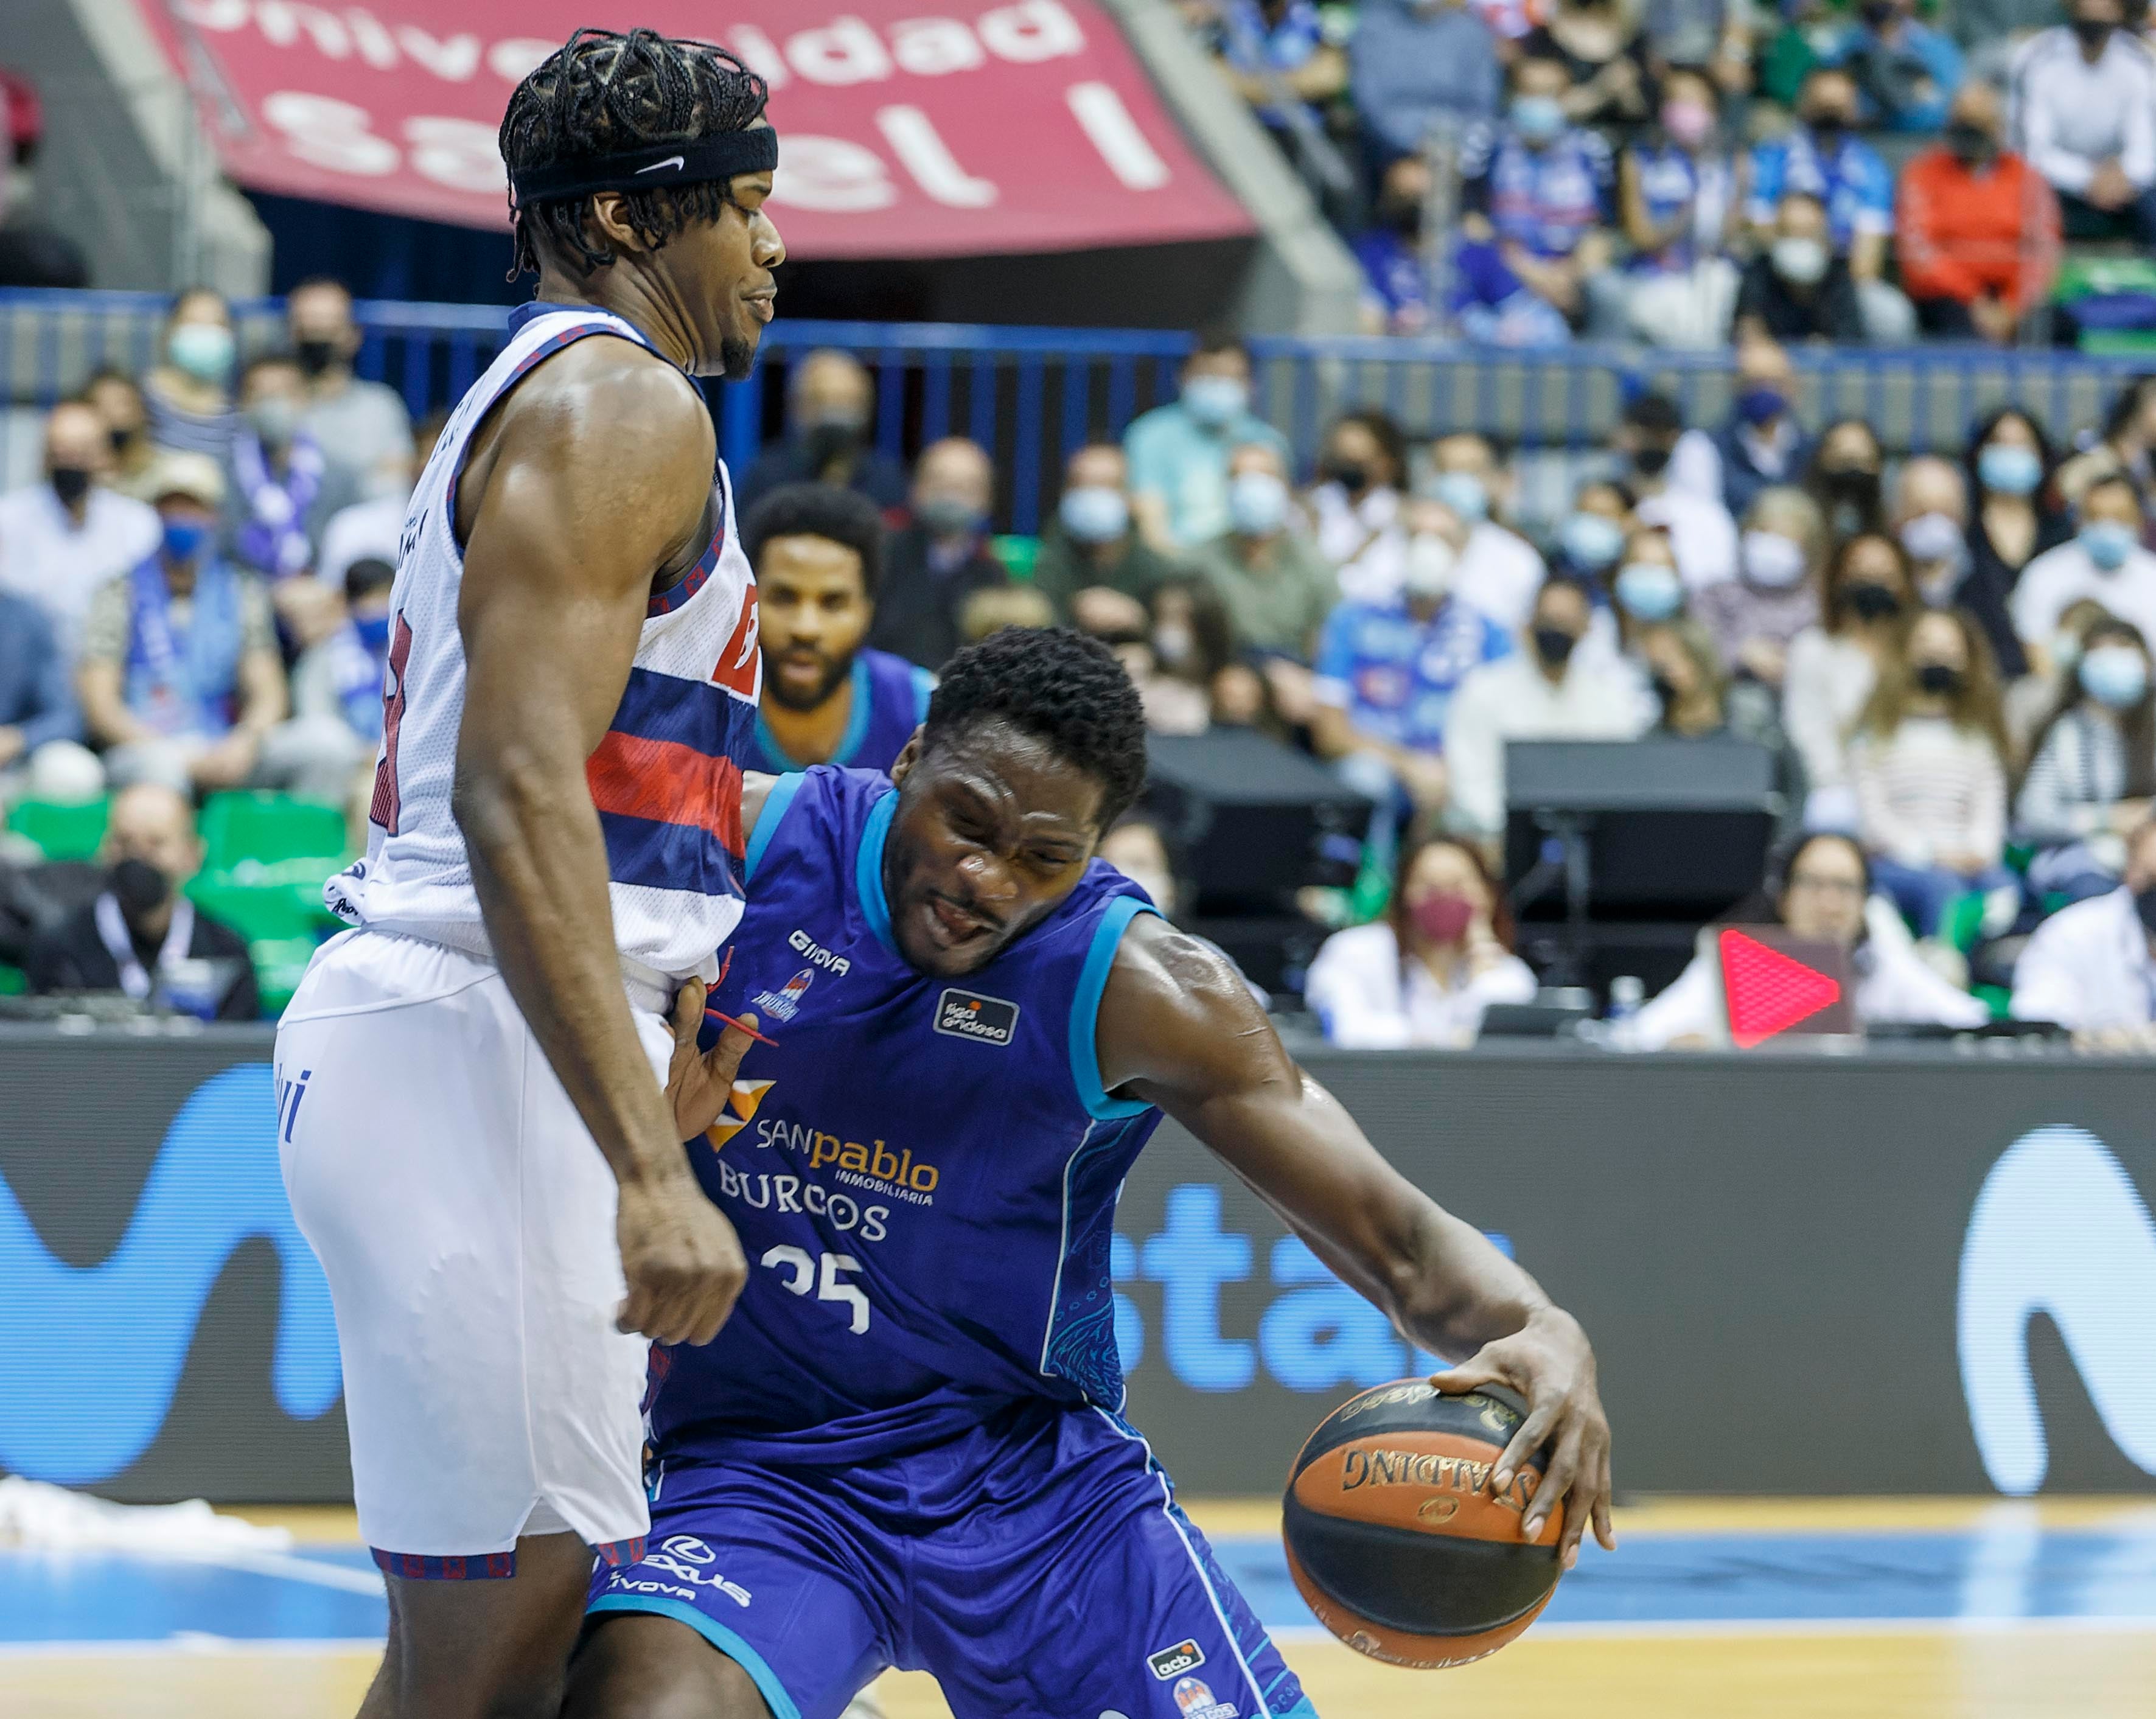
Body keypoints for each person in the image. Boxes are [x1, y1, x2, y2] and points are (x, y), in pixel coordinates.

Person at [565, 627, 1616, 1718]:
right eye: (966, 821)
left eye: (1043, 856)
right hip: (760, 1478)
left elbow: (1397, 1246)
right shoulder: (742, 844)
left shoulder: (1139, 983)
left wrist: (1538, 1324)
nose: (987, 878)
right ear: (910, 756)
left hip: (1032, 1491)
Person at [271, 32, 785, 1719]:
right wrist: (641, 1162)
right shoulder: (617, 401)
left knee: (492, 1634)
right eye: (750, 210)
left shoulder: (558, 396)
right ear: (641, 219)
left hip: (486, 1038)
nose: (774, 249)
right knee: (501, 1634)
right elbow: (510, 795)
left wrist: (643, 1051)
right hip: (473, 1039)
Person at [75, 455, 358, 803]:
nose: (183, 519)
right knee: (160, 768)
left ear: (214, 516)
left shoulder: (240, 590)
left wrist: (244, 742)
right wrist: (167, 749)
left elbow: (268, 692)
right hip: (145, 747)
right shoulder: (119, 592)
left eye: (194, 508)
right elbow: (100, 703)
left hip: (224, 743)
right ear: (156, 513)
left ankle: (299, 854)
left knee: (327, 745)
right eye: (173, 507)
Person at [1624, 831, 1988, 1047]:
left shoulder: (1879, 962)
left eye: (1845, 888)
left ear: (1864, 902)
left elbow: (1968, 1020)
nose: (1830, 904)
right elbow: (1640, 1034)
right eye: (1813, 885)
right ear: (1784, 897)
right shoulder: (1738, 962)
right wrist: (1688, 1046)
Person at [1310, 495, 1513, 820]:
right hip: (1381, 769)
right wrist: (1409, 766)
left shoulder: (1489, 633)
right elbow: (1330, 732)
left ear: (1462, 550)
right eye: (1417, 536)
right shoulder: (1353, 620)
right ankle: (1368, 873)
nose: (1428, 548)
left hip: (1459, 775)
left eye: (1442, 538)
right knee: (1364, 780)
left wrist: (1452, 771)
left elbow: (1506, 727)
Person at [738, 484, 932, 778]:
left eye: (833, 603)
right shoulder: (700, 708)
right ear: (747, 597)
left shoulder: (922, 709)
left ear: (867, 609)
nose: (805, 628)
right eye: (783, 598)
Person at [23, 781, 259, 1021]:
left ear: (192, 854)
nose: (138, 858)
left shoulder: (226, 953)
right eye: (124, 842)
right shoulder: (61, 947)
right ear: (105, 849)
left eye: (156, 843)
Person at [1849, 605, 2017, 937]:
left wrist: (1977, 853)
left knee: (2006, 891)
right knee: (1942, 887)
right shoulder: (1875, 737)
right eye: (1926, 646)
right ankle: (1942, 964)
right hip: (1898, 859)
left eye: (1950, 649)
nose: (1937, 656)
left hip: (1967, 857)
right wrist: (1928, 854)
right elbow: (1874, 818)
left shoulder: (1978, 740)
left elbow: (1987, 809)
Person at [1444, 576, 1653, 839]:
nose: (1555, 630)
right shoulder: (1483, 690)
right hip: (1495, 837)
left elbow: (1618, 780)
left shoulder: (1611, 700)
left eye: (1566, 622)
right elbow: (1470, 780)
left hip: (1588, 838)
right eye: (1548, 620)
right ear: (1530, 622)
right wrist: (1519, 829)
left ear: (1587, 627)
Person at [1305, 828, 1538, 1046]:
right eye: (1430, 887)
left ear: (1486, 896)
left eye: (1457, 887)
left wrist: (1484, 966)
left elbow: (1507, 1042)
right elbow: (1348, 1030)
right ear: (1404, 892)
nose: (1444, 898)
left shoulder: (1508, 973)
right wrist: (1441, 1040)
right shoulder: (1354, 951)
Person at [1455, 52, 1616, 340]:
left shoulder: (1591, 148)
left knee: (1610, 291)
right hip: (1507, 273)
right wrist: (1531, 273)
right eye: (1530, 93)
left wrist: (1571, 274)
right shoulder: (1487, 143)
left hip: (1571, 275)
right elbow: (1473, 225)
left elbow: (1602, 230)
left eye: (1549, 94)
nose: (1539, 103)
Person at [1745, 67, 1913, 341]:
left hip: (1840, 283)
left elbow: (1865, 264)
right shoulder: (1772, 158)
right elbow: (1758, 236)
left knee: (1890, 314)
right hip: (1775, 280)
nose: (1830, 116)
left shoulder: (1871, 170)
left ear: (1855, 110)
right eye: (1822, 106)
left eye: (1839, 108)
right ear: (1803, 104)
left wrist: (1817, 240)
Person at [1896, 80, 2060, 343]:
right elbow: (1918, 252)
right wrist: (1974, 300)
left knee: (2058, 327)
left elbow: (2043, 248)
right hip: (1948, 296)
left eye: (1978, 124)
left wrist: (2012, 306)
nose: (1968, 132)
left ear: (1997, 128)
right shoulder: (1922, 174)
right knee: (1959, 333)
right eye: (1961, 122)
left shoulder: (2027, 178)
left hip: (2011, 296)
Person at [0, 399, 160, 665]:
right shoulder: (9, 518)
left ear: (104, 455)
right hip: (25, 667)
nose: (70, 463)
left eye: (81, 453)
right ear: (46, 456)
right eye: (61, 453)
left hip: (112, 666)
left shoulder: (137, 524)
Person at [2014, 614, 2156, 898]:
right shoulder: (2068, 732)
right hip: (2083, 861)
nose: (2114, 661)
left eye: (2124, 650)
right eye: (2102, 652)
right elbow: (2033, 815)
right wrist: (2107, 820)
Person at [1783, 531, 1917, 830]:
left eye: (1885, 575)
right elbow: (1808, 738)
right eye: (1861, 574)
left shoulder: (1919, 650)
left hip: (1917, 787)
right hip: (1842, 793)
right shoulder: (1813, 649)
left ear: (1905, 584)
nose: (1872, 584)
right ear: (1838, 581)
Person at [1640, 618, 1809, 842]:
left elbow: (1795, 785)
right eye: (1655, 663)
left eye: (1671, 658)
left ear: (1700, 659)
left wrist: (1781, 844)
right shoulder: (1651, 740)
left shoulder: (1754, 719)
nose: (1663, 670)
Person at [1615, 66, 1743, 349]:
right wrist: (1686, 216)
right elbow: (1641, 237)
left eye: (1694, 101)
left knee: (1723, 287)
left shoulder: (1732, 161)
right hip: (1656, 275)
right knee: (1674, 312)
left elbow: (1731, 234)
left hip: (1711, 272)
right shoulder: (1640, 159)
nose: (1685, 109)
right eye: (1677, 101)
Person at [2008, 0, 2156, 246]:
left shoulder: (2140, 62)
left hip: (2120, 183)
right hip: (2057, 182)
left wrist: (2125, 175)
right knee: (2016, 194)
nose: (2096, 6)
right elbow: (2029, 150)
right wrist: (2087, 179)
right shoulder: (2035, 57)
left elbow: (2146, 148)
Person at [1123, 332, 1289, 551]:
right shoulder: (1150, 435)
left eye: (1230, 377)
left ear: (1250, 385)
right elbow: (1150, 524)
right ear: (1183, 378)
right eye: (1209, 375)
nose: (1219, 385)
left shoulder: (1267, 441)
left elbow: (1278, 523)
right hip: (1177, 566)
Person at [1184, 441, 1338, 657]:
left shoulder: (1312, 560)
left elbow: (1330, 636)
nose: (1253, 487)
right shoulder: (1199, 561)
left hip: (1297, 673)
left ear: (1285, 486)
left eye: (1264, 476)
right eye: (1241, 477)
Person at [2010, 814, 2156, 1042]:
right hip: (2105, 1075)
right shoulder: (2071, 934)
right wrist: (2104, 1042)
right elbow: (2039, 1030)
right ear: (2131, 870)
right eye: (2151, 878)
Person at [867, 438, 1007, 672]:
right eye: (940, 484)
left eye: (964, 488)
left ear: (986, 499)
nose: (950, 496)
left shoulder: (992, 572)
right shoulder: (881, 553)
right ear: (916, 488)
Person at [226, 351, 361, 584]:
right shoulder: (221, 471)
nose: (273, 405)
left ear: (306, 399)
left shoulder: (341, 476)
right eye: (262, 396)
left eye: (284, 394)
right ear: (243, 403)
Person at [1960, 406, 2072, 672]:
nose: (2011, 453)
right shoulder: (1962, 531)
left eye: (2022, 445)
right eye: (2000, 443)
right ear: (1979, 456)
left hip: (2046, 677)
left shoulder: (2062, 534)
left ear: (2042, 458)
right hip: (1975, 675)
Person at [736, 349, 908, 516]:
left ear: (866, 408)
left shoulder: (886, 478)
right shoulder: (766, 475)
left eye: (845, 401)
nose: (833, 412)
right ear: (796, 405)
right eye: (820, 400)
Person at [287, 276, 416, 496]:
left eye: (329, 329)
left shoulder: (381, 406)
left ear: (353, 336)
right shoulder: (271, 405)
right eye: (307, 329)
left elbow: (396, 478)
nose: (318, 339)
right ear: (291, 334)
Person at [2011, 472, 2156, 666]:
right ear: (2079, 519)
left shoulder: (2152, 575)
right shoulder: (2044, 574)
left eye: (2119, 516)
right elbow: (2038, 656)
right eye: (2096, 516)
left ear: (2139, 520)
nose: (2108, 526)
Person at [1031, 443, 1179, 633]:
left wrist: (1139, 620)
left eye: (1106, 485)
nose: (1094, 496)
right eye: (1083, 485)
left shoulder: (1154, 566)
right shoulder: (1050, 557)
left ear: (1129, 495)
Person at [1694, 485, 1828, 691]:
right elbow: (1694, 650)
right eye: (1766, 532)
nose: (1775, 544)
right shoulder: (1715, 595)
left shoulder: (1820, 607)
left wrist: (1791, 666)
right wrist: (1740, 652)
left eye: (1787, 537)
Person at [1349, 0, 1504, 175]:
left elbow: (1484, 107)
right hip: (1389, 154)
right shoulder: (1372, 27)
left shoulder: (1472, 33)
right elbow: (1371, 105)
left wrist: (1457, 153)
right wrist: (1414, 147)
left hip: (1459, 153)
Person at [1423, 431, 1550, 629]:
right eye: (1448, 470)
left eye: (1471, 471)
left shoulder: (1518, 560)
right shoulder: (1395, 547)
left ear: (1496, 478)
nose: (1458, 480)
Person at [1676, 339, 1813, 522]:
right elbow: (1700, 521)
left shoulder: (1813, 451)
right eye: (1754, 382)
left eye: (1774, 382)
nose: (1764, 391)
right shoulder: (1704, 447)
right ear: (1736, 386)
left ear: (1792, 387)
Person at [1616, 392, 1740, 591]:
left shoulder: (1705, 516)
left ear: (1674, 439)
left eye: (1657, 436)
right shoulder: (1606, 503)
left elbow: (1717, 584)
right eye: (1638, 435)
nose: (1647, 443)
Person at [316, 411, 448, 593]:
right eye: (425, 454)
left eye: (444, 456)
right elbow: (330, 602)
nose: (430, 465)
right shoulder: (352, 526)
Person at [0, 585, 99, 806]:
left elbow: (67, 717)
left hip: (10, 767)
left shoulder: (26, 619)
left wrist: (16, 739)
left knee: (73, 772)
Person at [1734, 190, 1867, 345]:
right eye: (1791, 232)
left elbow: (1849, 342)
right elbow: (1748, 328)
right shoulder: (1760, 271)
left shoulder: (1838, 276)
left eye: (1808, 233)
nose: (1800, 244)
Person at [1307, 408, 1411, 604]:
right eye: (1343, 459)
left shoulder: (1407, 515)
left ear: (1387, 462)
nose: (1350, 469)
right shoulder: (1310, 510)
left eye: (1360, 460)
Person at [1825, 0, 1966, 132]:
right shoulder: (1842, 51)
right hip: (1864, 146)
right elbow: (1837, 113)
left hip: (1922, 146)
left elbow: (1945, 111)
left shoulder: (1938, 48)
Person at [141, 288, 237, 460]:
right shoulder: (139, 403)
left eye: (217, 324)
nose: (206, 334)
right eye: (193, 322)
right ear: (169, 332)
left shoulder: (237, 417)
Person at [1527, 0, 1654, 129]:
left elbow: (1643, 111)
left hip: (1621, 138)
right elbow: (1547, 108)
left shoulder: (1632, 39)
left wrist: (1627, 92)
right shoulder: (1544, 38)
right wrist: (1603, 89)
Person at [1354, 153, 1440, 335]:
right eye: (1403, 196)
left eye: (1419, 196)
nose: (1412, 206)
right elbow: (1366, 317)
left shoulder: (1472, 251)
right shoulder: (1372, 251)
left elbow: (1512, 314)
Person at [1891, 455, 1975, 615]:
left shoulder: (1984, 586)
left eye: (1944, 512)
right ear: (1896, 519)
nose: (1933, 522)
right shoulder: (1886, 588)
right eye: (1920, 512)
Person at [82, 367, 163, 503]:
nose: (113, 415)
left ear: (140, 411)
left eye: (122, 404)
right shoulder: (73, 469)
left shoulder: (158, 472)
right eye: (103, 405)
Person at [1806, 416, 1888, 543]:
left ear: (1877, 465)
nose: (1852, 471)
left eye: (1862, 462)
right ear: (1822, 460)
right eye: (1843, 462)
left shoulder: (1892, 528)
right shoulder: (1802, 528)